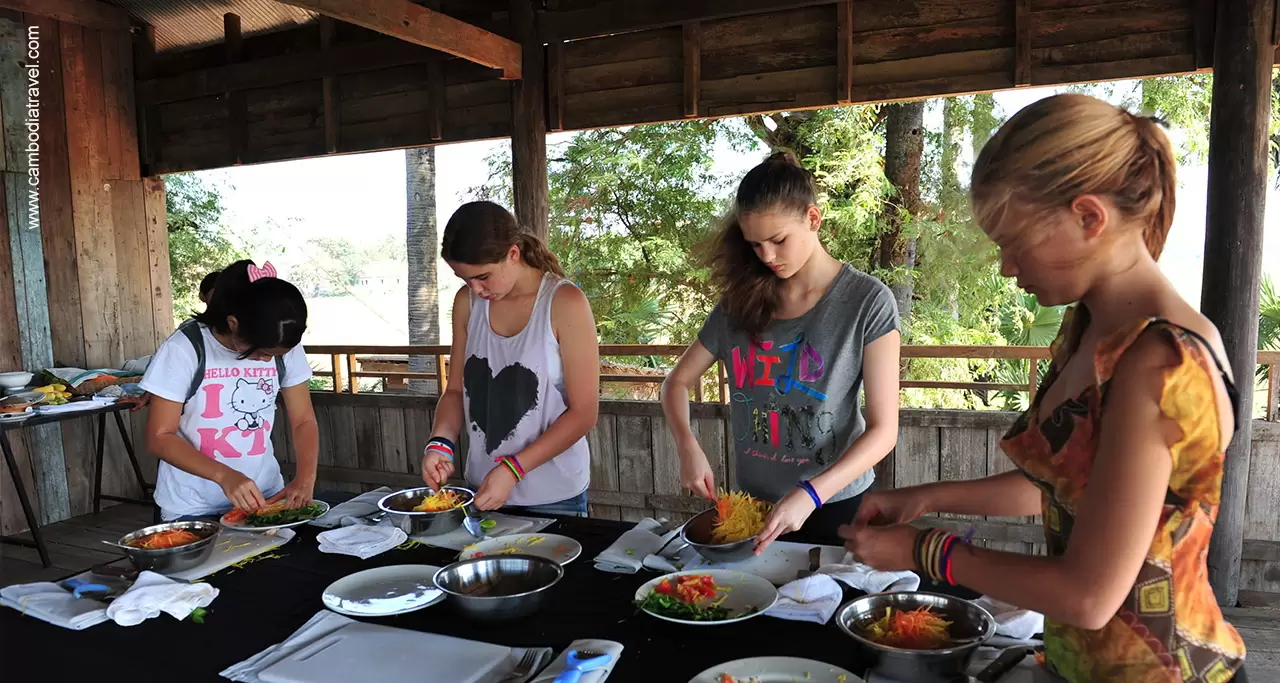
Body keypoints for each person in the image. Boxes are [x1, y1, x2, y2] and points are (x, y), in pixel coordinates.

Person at [845, 94, 1248, 682]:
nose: (1008, 268)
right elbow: (1064, 492)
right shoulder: (1090, 328)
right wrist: (926, 497)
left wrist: (920, 551)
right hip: (1074, 664)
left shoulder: (1161, 362)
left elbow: (1089, 595)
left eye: (1015, 242)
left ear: (1089, 217)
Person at [662, 152, 901, 553]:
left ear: (813, 219)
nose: (767, 257)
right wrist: (687, 445)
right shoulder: (738, 304)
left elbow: (884, 431)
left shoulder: (868, 302)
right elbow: (676, 383)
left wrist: (811, 493)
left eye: (778, 241)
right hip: (752, 507)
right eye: (755, 245)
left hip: (834, 505)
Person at [420, 202, 598, 517]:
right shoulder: (468, 303)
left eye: (483, 277)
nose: (475, 288)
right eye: (464, 279)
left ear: (513, 254)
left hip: (555, 497)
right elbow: (455, 392)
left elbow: (584, 414)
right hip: (482, 490)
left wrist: (513, 469)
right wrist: (440, 443)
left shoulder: (564, 302)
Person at [140, 260, 320, 521]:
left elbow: (303, 420)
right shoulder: (186, 348)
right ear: (234, 323)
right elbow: (159, 436)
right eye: (262, 353)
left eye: (277, 355)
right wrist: (225, 475)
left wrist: (305, 478)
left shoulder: (279, 342)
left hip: (265, 497)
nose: (268, 361)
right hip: (192, 509)